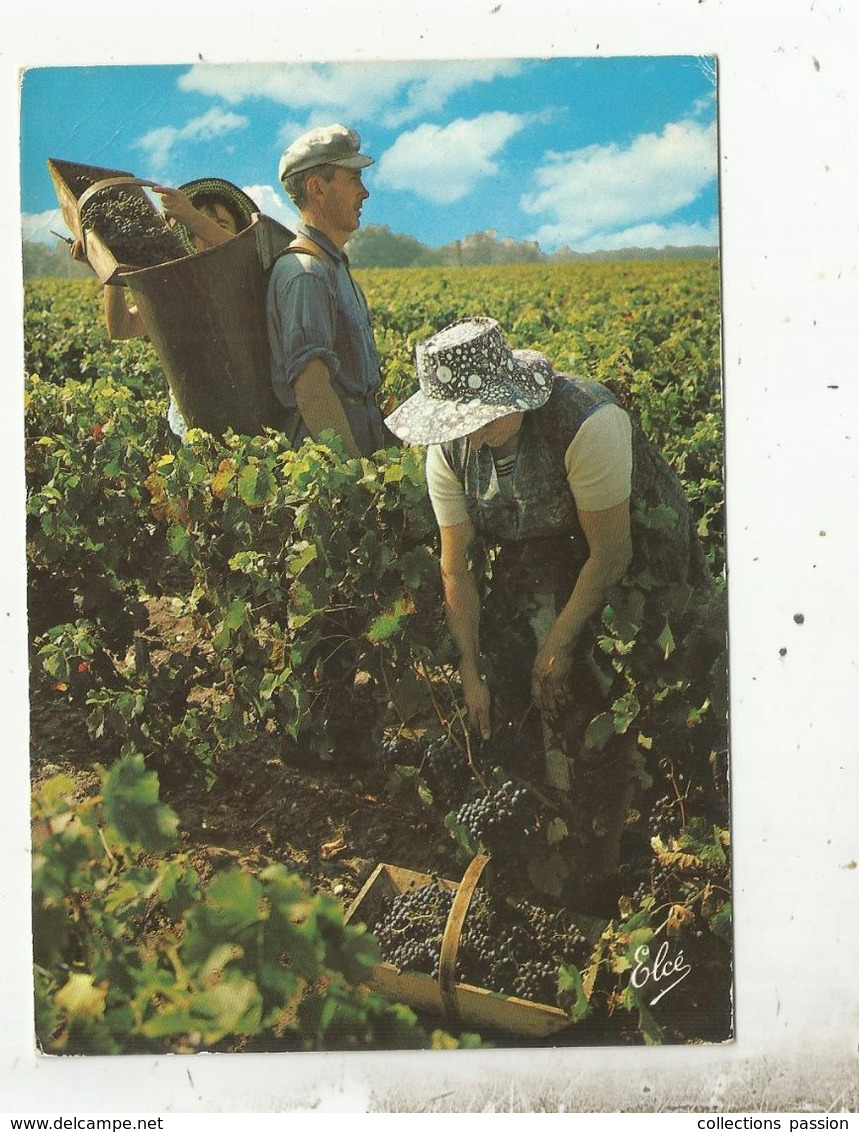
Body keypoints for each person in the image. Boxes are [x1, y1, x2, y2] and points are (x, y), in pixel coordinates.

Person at [384, 317, 715, 897]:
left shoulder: (586, 422)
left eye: (482, 418)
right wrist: (469, 665)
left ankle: (626, 828)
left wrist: (558, 646)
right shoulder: (451, 454)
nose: (474, 433)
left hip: (632, 549)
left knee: (608, 683)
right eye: (461, 423)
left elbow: (611, 553)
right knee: (516, 671)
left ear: (510, 395)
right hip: (544, 546)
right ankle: (546, 815)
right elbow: (455, 565)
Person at [73, 179, 259, 437]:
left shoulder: (250, 278)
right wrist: (110, 266)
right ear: (193, 239)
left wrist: (191, 215)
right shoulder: (180, 289)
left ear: (239, 232)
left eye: (222, 225)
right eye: (202, 226)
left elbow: (239, 254)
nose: (207, 231)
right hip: (192, 425)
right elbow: (122, 327)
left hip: (249, 420)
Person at [267, 123, 389, 458]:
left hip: (361, 440)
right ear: (317, 189)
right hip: (334, 465)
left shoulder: (332, 266)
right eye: (353, 179)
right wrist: (355, 480)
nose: (364, 192)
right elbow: (313, 392)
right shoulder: (306, 274)